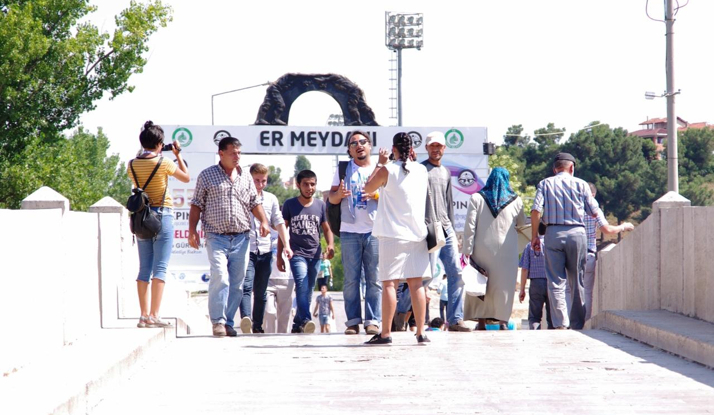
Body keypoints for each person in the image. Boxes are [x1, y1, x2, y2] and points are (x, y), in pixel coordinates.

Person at [188, 136, 271, 337]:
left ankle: (228, 321)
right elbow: (197, 204)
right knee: (220, 277)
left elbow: (254, 202)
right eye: (233, 152)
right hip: (216, 236)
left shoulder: (246, 178)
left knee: (238, 282)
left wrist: (264, 221)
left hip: (242, 237)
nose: (237, 156)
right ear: (221, 153)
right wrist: (192, 230)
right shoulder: (207, 176)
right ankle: (217, 321)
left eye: (239, 153)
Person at [363, 132, 431, 345]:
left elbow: (367, 188)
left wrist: (380, 164)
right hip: (417, 234)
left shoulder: (387, 169)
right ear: (412, 150)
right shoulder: (421, 170)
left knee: (389, 284)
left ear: (393, 149)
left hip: (392, 234)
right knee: (416, 283)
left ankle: (386, 333)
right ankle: (420, 332)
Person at [129, 121, 189, 329]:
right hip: (162, 214)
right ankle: (154, 315)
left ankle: (143, 316)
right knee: (160, 268)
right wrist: (177, 154)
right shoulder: (164, 163)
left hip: (141, 218)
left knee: (144, 268)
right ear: (159, 143)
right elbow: (186, 177)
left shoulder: (132, 164)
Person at [530, 153, 598, 330]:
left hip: (553, 233)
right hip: (577, 233)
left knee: (555, 281)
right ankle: (577, 324)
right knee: (577, 280)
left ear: (555, 169)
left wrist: (535, 236)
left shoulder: (545, 183)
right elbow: (593, 212)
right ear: (572, 168)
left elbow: (536, 210)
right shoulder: (582, 184)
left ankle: (561, 323)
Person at [328, 130, 382, 336]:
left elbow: (390, 197)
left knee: (374, 279)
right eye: (353, 143)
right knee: (351, 279)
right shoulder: (343, 169)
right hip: (350, 230)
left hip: (375, 230)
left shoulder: (380, 169)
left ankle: (372, 321)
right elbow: (331, 198)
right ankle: (352, 322)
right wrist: (339, 194)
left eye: (362, 142)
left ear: (370, 146)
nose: (358, 145)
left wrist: (376, 194)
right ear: (349, 150)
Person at [462, 167, 526, 330]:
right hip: (507, 250)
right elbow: (522, 225)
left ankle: (481, 322)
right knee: (504, 285)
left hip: (482, 248)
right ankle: (503, 322)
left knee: (481, 281)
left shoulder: (476, 197)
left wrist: (467, 251)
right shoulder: (516, 200)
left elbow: (470, 227)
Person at [422, 131, 472, 332]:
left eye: (439, 146)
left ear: (444, 148)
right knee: (423, 276)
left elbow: (449, 201)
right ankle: (404, 314)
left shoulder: (446, 172)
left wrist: (452, 228)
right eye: (432, 146)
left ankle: (455, 319)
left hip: (446, 227)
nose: (436, 149)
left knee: (456, 273)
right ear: (426, 148)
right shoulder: (420, 170)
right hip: (427, 227)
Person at [565, 183, 634, 322]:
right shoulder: (593, 207)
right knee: (587, 291)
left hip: (569, 252)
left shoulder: (570, 207)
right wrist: (623, 226)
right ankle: (584, 322)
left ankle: (566, 321)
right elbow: (607, 230)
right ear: (593, 194)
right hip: (587, 253)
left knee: (568, 289)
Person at [237, 163, 293, 334]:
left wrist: (287, 246)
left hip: (265, 250)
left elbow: (279, 222)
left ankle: (257, 325)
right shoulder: (241, 196)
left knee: (261, 292)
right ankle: (246, 318)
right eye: (256, 181)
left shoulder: (271, 199)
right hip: (247, 249)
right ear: (249, 180)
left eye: (263, 181)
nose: (260, 185)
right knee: (246, 286)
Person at [278, 169, 335, 334]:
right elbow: (283, 231)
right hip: (297, 254)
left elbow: (326, 228)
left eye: (312, 184)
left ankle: (297, 324)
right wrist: (279, 257)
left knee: (308, 290)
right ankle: (306, 319)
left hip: (315, 255)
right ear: (298, 185)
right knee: (301, 284)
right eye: (306, 184)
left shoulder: (320, 205)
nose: (309, 187)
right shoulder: (290, 204)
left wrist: (331, 245)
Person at [518, 223, 553, 330]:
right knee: (552, 318)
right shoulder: (553, 245)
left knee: (534, 317)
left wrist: (522, 290)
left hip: (536, 283)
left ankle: (534, 335)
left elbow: (524, 269)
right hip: (552, 283)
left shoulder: (530, 246)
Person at [264, 235, 295, 333]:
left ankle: (282, 343)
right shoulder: (265, 228)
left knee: (284, 318)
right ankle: (268, 340)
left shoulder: (290, 230)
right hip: (268, 278)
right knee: (269, 312)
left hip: (287, 279)